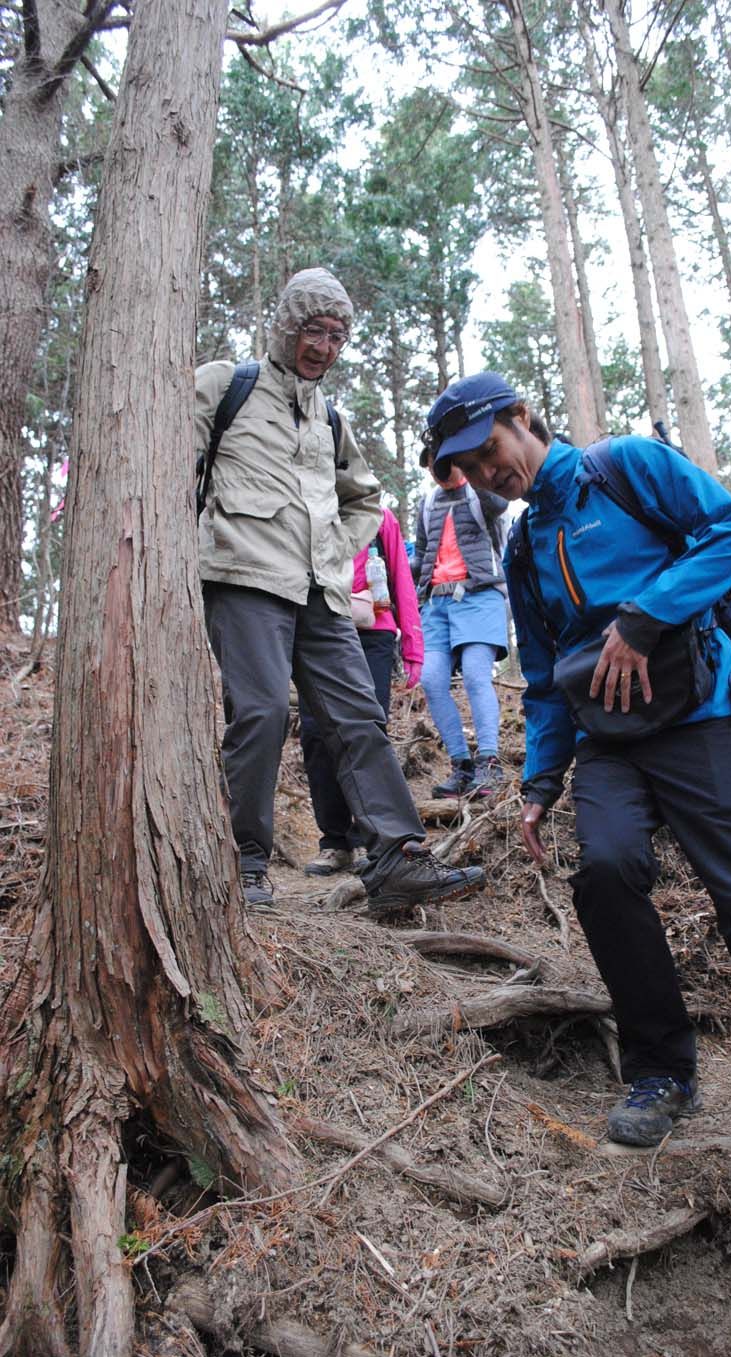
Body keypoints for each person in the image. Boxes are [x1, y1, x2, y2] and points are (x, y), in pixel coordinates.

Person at [420, 370, 731, 1286]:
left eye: (491, 447)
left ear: (523, 420)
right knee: (603, 870)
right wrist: (539, 780)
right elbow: (546, 670)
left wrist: (645, 618)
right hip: (608, 741)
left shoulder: (626, 469)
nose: (489, 471)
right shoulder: (524, 546)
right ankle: (661, 1070)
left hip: (702, 719)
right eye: (467, 467)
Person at [195, 268, 483, 912]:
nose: (324, 346)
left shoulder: (329, 418)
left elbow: (366, 500)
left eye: (337, 335)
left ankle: (397, 858)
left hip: (322, 594)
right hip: (243, 579)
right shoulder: (226, 386)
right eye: (313, 331)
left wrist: (332, 548)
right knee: (263, 713)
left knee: (359, 719)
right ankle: (244, 863)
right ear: (285, 326)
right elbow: (172, 465)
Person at [301, 507, 423, 876]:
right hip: (319, 627)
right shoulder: (307, 509)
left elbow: (401, 576)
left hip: (374, 632)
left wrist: (413, 647)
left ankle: (376, 841)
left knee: (366, 730)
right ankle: (335, 841)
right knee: (316, 733)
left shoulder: (378, 517)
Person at [412, 457, 509, 797]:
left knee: (474, 674)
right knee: (432, 680)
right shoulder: (427, 503)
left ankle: (489, 762)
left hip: (480, 595)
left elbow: (500, 502)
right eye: (431, 465)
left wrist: (469, 467)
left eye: (444, 463)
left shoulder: (480, 494)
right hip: (436, 603)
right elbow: (422, 553)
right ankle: (462, 765)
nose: (438, 471)